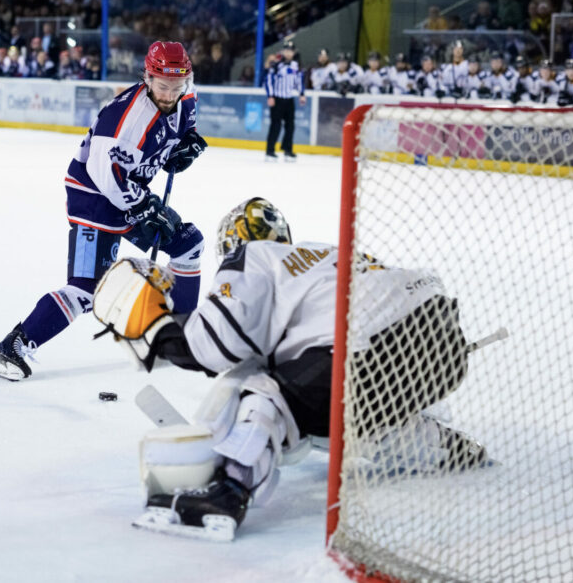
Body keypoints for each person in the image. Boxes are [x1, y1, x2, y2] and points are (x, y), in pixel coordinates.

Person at [91, 198, 487, 540]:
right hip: (441, 343)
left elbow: (216, 343)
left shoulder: (253, 257)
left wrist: (157, 330)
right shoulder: (322, 255)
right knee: (348, 416)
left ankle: (227, 493)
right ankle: (446, 445)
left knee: (265, 391)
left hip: (364, 350)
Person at [0, 41, 209, 382]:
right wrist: (144, 207)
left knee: (189, 245)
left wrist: (186, 144)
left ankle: (181, 335)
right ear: (147, 77)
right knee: (87, 289)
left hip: (130, 194)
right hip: (95, 199)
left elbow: (182, 131)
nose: (170, 93)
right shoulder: (126, 121)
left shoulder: (184, 95)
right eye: (162, 86)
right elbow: (106, 176)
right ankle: (12, 346)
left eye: (177, 86)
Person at [264, 40, 305, 163]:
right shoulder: (276, 65)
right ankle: (270, 151)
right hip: (277, 99)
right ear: (282, 51)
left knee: (290, 126)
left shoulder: (296, 66)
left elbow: (299, 80)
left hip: (289, 99)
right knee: (275, 125)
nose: (288, 53)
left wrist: (301, 94)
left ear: (293, 52)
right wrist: (270, 96)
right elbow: (268, 80)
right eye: (286, 50)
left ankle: (288, 149)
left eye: (290, 51)